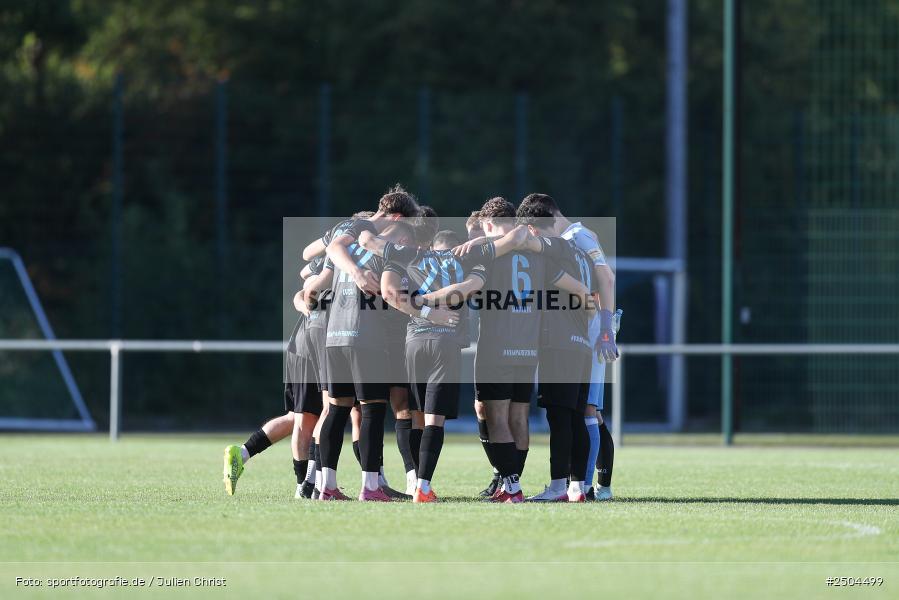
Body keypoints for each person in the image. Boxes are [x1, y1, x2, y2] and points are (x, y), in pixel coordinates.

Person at [361, 227, 493, 501]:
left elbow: (388, 287)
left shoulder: (412, 256)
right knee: (435, 420)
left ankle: (412, 482)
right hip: (446, 342)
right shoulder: (466, 259)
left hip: (414, 341)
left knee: (415, 416)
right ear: (458, 247)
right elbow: (468, 287)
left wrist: (419, 303)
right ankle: (423, 486)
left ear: (432, 246)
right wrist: (481, 240)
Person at [515, 193, 619, 500]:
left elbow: (607, 278)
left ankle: (580, 486)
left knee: (582, 412)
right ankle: (583, 486)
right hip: (583, 333)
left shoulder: (575, 238)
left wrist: (605, 328)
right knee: (582, 412)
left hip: (584, 334)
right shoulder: (575, 241)